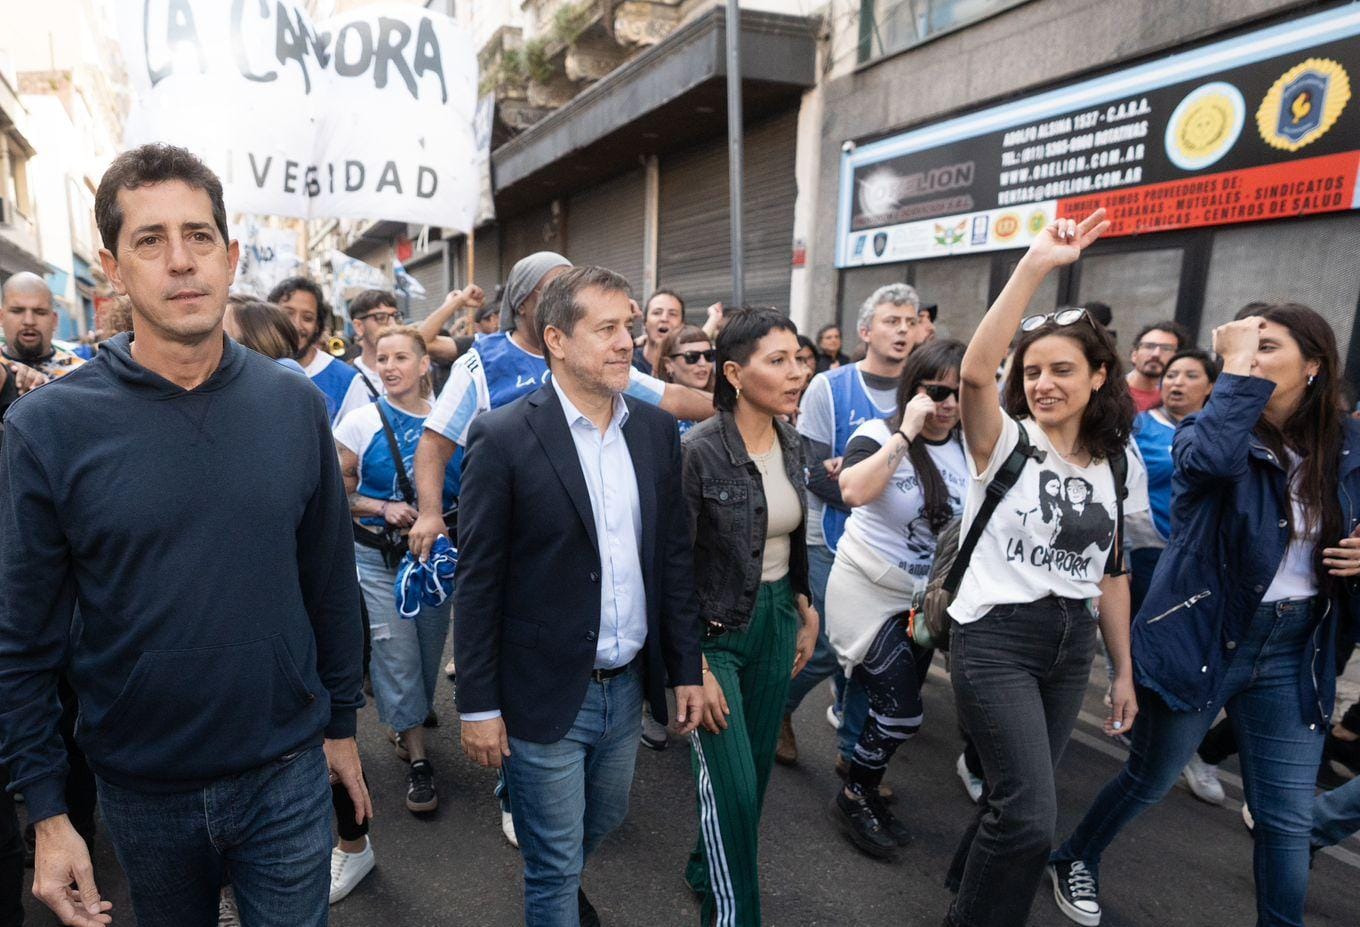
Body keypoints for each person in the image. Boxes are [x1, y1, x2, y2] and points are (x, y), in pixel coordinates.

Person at [0, 143, 369, 927]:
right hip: (142, 788)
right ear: (113, 268)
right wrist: (46, 809)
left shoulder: (292, 403)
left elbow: (330, 583)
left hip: (288, 772)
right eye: (150, 240)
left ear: (231, 256)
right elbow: (21, 637)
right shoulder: (47, 428)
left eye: (199, 236)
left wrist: (341, 728)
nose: (181, 261)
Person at [1048, 302, 1360, 927]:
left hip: (1296, 646)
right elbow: (1212, 463)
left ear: (1316, 366)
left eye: (1268, 348)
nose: (1249, 361)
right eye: (1244, 351)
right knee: (1150, 777)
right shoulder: (1211, 428)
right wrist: (1240, 373)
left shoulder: (1349, 444)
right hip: (1205, 631)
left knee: (1287, 818)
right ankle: (1074, 856)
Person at [453, 266, 703, 926]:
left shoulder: (652, 432)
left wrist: (684, 668)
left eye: (630, 325)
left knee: (605, 818)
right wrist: (478, 702)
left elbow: (671, 560)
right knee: (556, 861)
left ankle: (557, 878)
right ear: (558, 339)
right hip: (542, 692)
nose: (628, 341)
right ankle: (555, 888)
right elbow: (478, 580)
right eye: (609, 328)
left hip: (625, 688)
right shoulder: (504, 435)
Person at [944, 209, 1145, 927]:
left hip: (1070, 644)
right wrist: (1034, 267)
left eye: (1062, 369)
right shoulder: (1003, 441)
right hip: (994, 634)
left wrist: (1121, 669)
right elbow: (974, 372)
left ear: (1098, 377)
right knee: (1031, 816)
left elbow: (1113, 571)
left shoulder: (1120, 462)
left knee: (1017, 796)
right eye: (1032, 371)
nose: (1043, 382)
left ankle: (968, 879)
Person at [679, 307, 818, 925]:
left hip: (777, 623)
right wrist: (692, 661)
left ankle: (704, 866)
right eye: (778, 361)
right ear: (734, 373)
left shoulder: (794, 443)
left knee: (754, 780)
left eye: (799, 359)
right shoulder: (698, 453)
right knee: (732, 790)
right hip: (716, 638)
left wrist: (804, 605)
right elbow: (671, 566)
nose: (796, 373)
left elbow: (791, 536)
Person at [825, 338, 969, 857]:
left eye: (959, 392)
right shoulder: (877, 433)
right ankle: (854, 793)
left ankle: (861, 788)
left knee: (894, 709)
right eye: (937, 391)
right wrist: (907, 429)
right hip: (866, 589)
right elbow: (853, 492)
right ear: (914, 390)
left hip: (923, 604)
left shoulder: (972, 447)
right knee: (903, 711)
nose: (948, 403)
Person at [777, 284, 919, 778]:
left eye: (910, 321)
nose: (902, 329)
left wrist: (862, 477)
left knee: (871, 656)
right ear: (865, 331)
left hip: (897, 554)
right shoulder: (830, 387)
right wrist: (874, 490)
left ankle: (853, 749)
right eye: (891, 320)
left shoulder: (921, 393)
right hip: (830, 539)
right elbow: (814, 473)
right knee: (824, 649)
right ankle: (778, 710)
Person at [335, 325, 455, 819]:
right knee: (396, 654)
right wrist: (379, 507)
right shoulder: (361, 422)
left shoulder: (452, 420)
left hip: (436, 564)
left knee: (427, 655)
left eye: (400, 357)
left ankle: (408, 720)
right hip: (378, 562)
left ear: (424, 364)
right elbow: (336, 490)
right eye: (381, 358)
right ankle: (419, 759)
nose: (388, 367)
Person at [1126, 348, 1218, 618]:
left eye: (1190, 376)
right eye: (1171, 375)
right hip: (1148, 551)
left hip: (1203, 552)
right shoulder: (1137, 427)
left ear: (1211, 386)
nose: (1177, 382)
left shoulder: (1221, 432)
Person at [269, 276, 357, 421]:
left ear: (317, 326)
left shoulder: (347, 380)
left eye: (307, 318)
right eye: (287, 314)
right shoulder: (253, 367)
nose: (296, 325)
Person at [334, 289, 404, 423]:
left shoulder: (413, 371)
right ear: (359, 326)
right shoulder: (346, 379)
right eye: (381, 317)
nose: (392, 324)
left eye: (395, 316)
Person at [1, 273, 85, 381]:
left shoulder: (81, 375)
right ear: (1, 318)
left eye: (40, 312)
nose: (29, 321)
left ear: (54, 320)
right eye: (17, 311)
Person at [653, 323, 715, 437]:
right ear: (668, 364)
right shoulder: (655, 416)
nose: (703, 363)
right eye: (692, 357)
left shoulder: (724, 404)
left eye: (708, 355)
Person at [1124, 320, 1189, 413]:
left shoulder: (1177, 402)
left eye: (1166, 349)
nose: (1156, 354)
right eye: (1149, 346)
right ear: (1134, 355)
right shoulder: (1107, 392)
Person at [633, 288, 684, 375]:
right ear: (645, 322)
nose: (664, 318)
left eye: (672, 314)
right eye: (657, 313)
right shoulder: (628, 362)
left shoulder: (689, 366)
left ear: (682, 324)